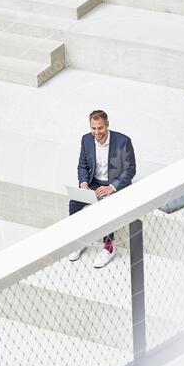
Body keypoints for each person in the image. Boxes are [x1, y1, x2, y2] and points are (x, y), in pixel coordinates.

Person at [68, 109, 136, 268]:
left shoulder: (123, 141)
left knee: (105, 206)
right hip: (94, 182)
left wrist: (112, 187)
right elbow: (83, 165)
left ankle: (109, 248)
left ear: (107, 125)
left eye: (100, 128)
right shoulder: (86, 140)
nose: (96, 132)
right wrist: (83, 182)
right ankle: (80, 240)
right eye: (93, 128)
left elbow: (130, 170)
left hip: (114, 184)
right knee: (74, 202)